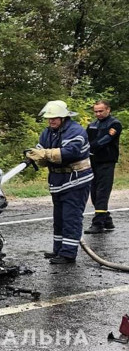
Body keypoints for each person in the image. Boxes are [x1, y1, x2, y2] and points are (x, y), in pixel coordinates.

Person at [26, 100, 93, 264]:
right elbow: (40, 150)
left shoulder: (75, 131)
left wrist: (45, 154)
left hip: (76, 180)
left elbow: (70, 152)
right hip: (58, 181)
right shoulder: (48, 132)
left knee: (71, 217)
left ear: (63, 117)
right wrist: (34, 156)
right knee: (59, 218)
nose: (51, 121)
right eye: (49, 118)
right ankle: (59, 250)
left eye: (55, 118)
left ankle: (68, 254)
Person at [85, 99, 122, 234]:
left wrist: (91, 147)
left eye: (101, 111)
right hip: (93, 161)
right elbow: (85, 139)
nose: (98, 114)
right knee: (94, 193)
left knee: (102, 193)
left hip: (107, 162)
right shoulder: (92, 125)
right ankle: (107, 219)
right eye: (96, 111)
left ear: (108, 110)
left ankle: (98, 223)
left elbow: (105, 140)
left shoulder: (115, 124)